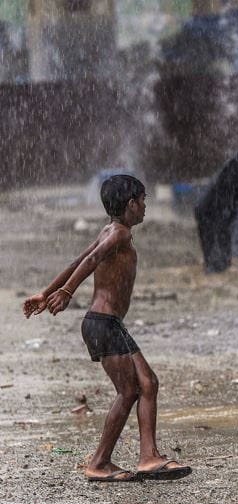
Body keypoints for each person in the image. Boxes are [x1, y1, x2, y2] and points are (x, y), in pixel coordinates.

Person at [22, 174, 192, 482]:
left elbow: (79, 259)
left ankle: (148, 457)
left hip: (109, 324)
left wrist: (45, 293)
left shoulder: (110, 230)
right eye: (143, 201)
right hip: (103, 324)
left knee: (148, 383)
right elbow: (92, 259)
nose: (145, 207)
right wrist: (67, 292)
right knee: (128, 391)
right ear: (131, 204)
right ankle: (99, 462)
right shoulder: (120, 235)